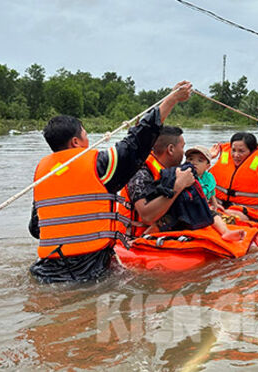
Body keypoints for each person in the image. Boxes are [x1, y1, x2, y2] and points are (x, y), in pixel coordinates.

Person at [29, 81, 192, 283]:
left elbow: (36, 229)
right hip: (88, 272)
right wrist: (171, 100)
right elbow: (136, 143)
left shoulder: (41, 174)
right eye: (86, 134)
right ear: (76, 142)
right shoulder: (99, 165)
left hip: (45, 271)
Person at [118, 125, 195, 238]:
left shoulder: (169, 170)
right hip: (134, 241)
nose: (183, 152)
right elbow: (146, 216)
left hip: (161, 235)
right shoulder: (140, 173)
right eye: (182, 147)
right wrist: (179, 185)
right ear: (171, 149)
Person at [210, 132, 258, 238]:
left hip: (243, 214)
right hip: (218, 208)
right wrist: (208, 158)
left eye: (241, 151)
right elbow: (200, 182)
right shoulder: (222, 162)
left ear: (251, 152)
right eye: (233, 150)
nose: (236, 155)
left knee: (225, 214)